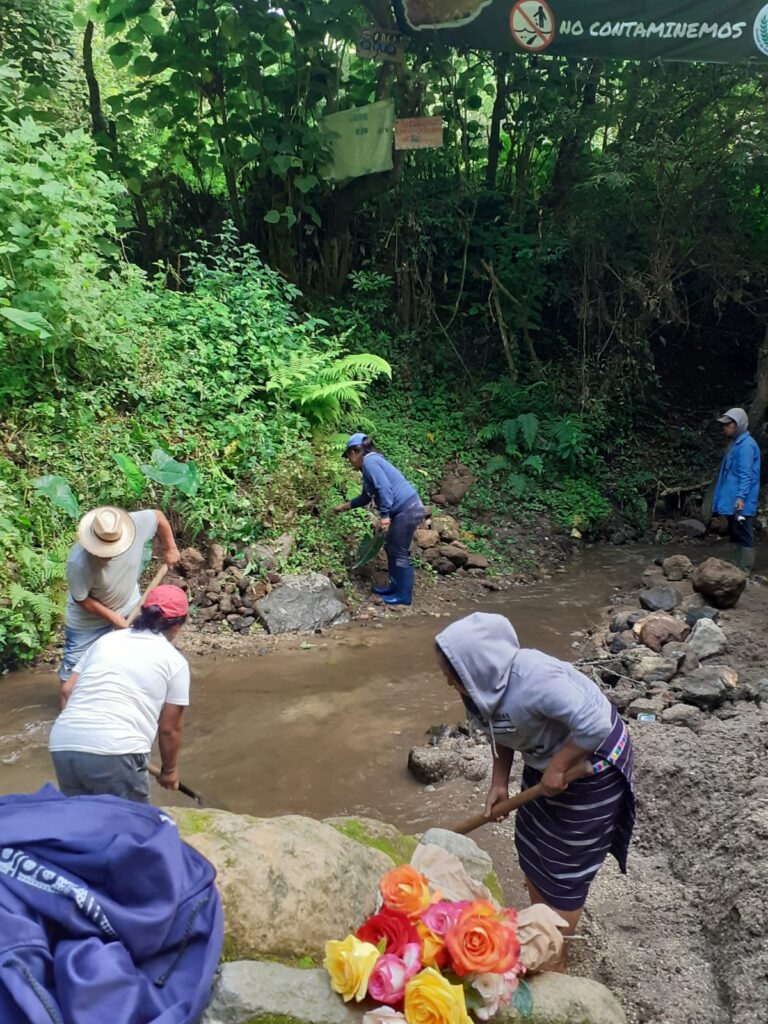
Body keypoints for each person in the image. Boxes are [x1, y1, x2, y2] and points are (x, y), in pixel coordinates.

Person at [435, 612, 634, 965]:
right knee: (531, 841)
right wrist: (500, 782)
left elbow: (595, 726)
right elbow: (502, 730)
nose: (448, 681)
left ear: (479, 667)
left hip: (593, 764)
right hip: (546, 760)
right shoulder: (481, 688)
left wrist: (558, 767)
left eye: (453, 677)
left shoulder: (536, 680)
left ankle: (555, 953)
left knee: (564, 863)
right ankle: (540, 922)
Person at [49, 584, 190, 803]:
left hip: (63, 743)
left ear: (143, 612)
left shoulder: (106, 641)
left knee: (82, 821)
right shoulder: (175, 662)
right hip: (116, 749)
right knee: (130, 826)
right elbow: (169, 729)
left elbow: (68, 689)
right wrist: (169, 771)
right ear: (177, 625)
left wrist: (84, 729)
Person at [60, 506, 181, 686]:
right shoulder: (78, 562)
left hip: (130, 605)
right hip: (87, 621)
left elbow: (158, 517)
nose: (108, 554)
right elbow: (82, 600)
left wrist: (170, 548)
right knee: (72, 678)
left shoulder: (134, 525)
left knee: (140, 659)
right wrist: (113, 618)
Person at [332, 433, 424, 606]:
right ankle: (393, 588)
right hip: (405, 509)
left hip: (408, 509)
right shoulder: (369, 465)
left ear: (353, 453)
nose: (349, 462)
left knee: (398, 550)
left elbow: (384, 488)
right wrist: (343, 507)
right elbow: (365, 497)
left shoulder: (370, 462)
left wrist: (384, 516)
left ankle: (403, 596)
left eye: (348, 457)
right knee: (391, 547)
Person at [712, 407, 761, 575]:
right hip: (733, 498)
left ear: (738, 425)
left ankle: (745, 570)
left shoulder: (746, 446)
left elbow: (746, 475)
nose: (724, 428)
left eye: (728, 425)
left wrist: (740, 497)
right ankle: (735, 567)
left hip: (741, 501)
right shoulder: (735, 443)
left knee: (744, 532)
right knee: (735, 531)